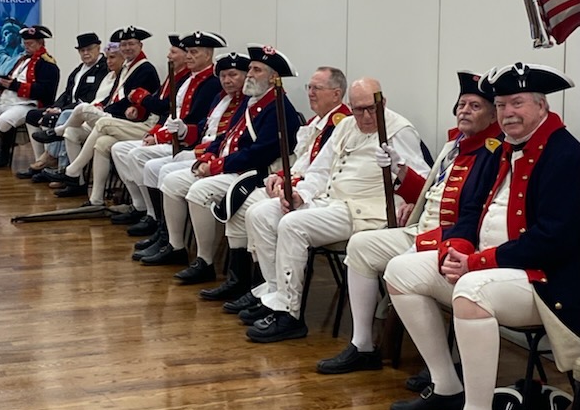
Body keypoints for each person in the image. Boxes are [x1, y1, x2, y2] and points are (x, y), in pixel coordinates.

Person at [384, 62, 580, 410]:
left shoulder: (566, 154)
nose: (508, 113)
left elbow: (553, 240)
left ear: (542, 106)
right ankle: (446, 386)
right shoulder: (500, 148)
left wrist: (477, 263)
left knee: (472, 292)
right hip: (489, 270)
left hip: (544, 282)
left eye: (517, 103)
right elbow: (470, 210)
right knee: (401, 271)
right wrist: (455, 248)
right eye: (502, 104)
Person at [316, 71, 501, 374]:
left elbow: (473, 215)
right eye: (461, 105)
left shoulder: (492, 152)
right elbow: (429, 193)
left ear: (493, 115)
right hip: (422, 228)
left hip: (450, 239)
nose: (465, 111)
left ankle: (443, 367)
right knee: (361, 245)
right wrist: (399, 169)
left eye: (475, 106)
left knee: (403, 268)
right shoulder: (455, 145)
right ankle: (362, 345)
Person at [244, 77, 430, 343]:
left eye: (371, 108)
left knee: (292, 225)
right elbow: (319, 171)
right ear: (350, 106)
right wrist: (300, 195)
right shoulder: (345, 126)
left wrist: (401, 172)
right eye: (359, 109)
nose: (366, 116)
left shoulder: (399, 130)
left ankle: (289, 314)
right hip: (331, 202)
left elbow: (424, 182)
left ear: (383, 102)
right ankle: (275, 298)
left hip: (366, 211)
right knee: (260, 214)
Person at [148, 44, 300, 283]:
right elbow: (225, 136)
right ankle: (176, 246)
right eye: (251, 68)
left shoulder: (278, 108)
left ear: (273, 78)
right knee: (172, 181)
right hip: (229, 165)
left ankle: (205, 261)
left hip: (251, 173)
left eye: (257, 70)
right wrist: (207, 157)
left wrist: (216, 166)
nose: (250, 74)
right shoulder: (252, 101)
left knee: (199, 191)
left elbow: (258, 154)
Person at [213, 66, 351, 306]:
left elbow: (324, 173)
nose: (310, 93)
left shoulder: (340, 124)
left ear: (336, 94)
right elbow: (303, 162)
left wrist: (290, 183)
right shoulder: (318, 121)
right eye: (309, 87)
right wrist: (280, 176)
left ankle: (267, 286)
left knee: (253, 209)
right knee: (242, 206)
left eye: (317, 88)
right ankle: (254, 281)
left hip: (320, 195)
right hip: (300, 186)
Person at [109, 33, 231, 232]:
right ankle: (144, 208)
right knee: (120, 150)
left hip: (188, 143)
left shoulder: (211, 83)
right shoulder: (189, 79)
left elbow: (195, 120)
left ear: (208, 55)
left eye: (194, 52)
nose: (188, 56)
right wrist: (156, 132)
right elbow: (171, 112)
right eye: (187, 52)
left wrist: (165, 135)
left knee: (140, 158)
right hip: (177, 137)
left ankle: (157, 219)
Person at [43, 26, 161, 205]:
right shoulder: (127, 67)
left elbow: (131, 103)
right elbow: (114, 95)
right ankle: (92, 196)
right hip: (116, 118)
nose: (127, 48)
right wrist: (103, 106)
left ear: (140, 45)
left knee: (85, 110)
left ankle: (71, 166)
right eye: (124, 44)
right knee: (79, 135)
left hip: (132, 122)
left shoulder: (145, 69)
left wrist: (106, 110)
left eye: (131, 44)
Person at [19, 32, 108, 167]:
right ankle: (41, 158)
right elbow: (67, 93)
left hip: (84, 110)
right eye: (82, 50)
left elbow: (88, 99)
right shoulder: (79, 69)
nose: (85, 53)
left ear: (98, 48)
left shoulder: (103, 68)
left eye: (89, 49)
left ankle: (51, 159)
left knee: (51, 118)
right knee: (32, 115)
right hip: (68, 107)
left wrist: (60, 110)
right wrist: (55, 107)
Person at [0, 25, 59, 168]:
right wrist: (1, 84)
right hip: (5, 101)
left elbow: (45, 92)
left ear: (41, 43)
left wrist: (15, 86)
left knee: (4, 121)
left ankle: (3, 155)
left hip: (26, 104)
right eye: (25, 43)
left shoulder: (47, 65)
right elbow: (9, 76)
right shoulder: (21, 59)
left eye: (30, 44)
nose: (26, 46)